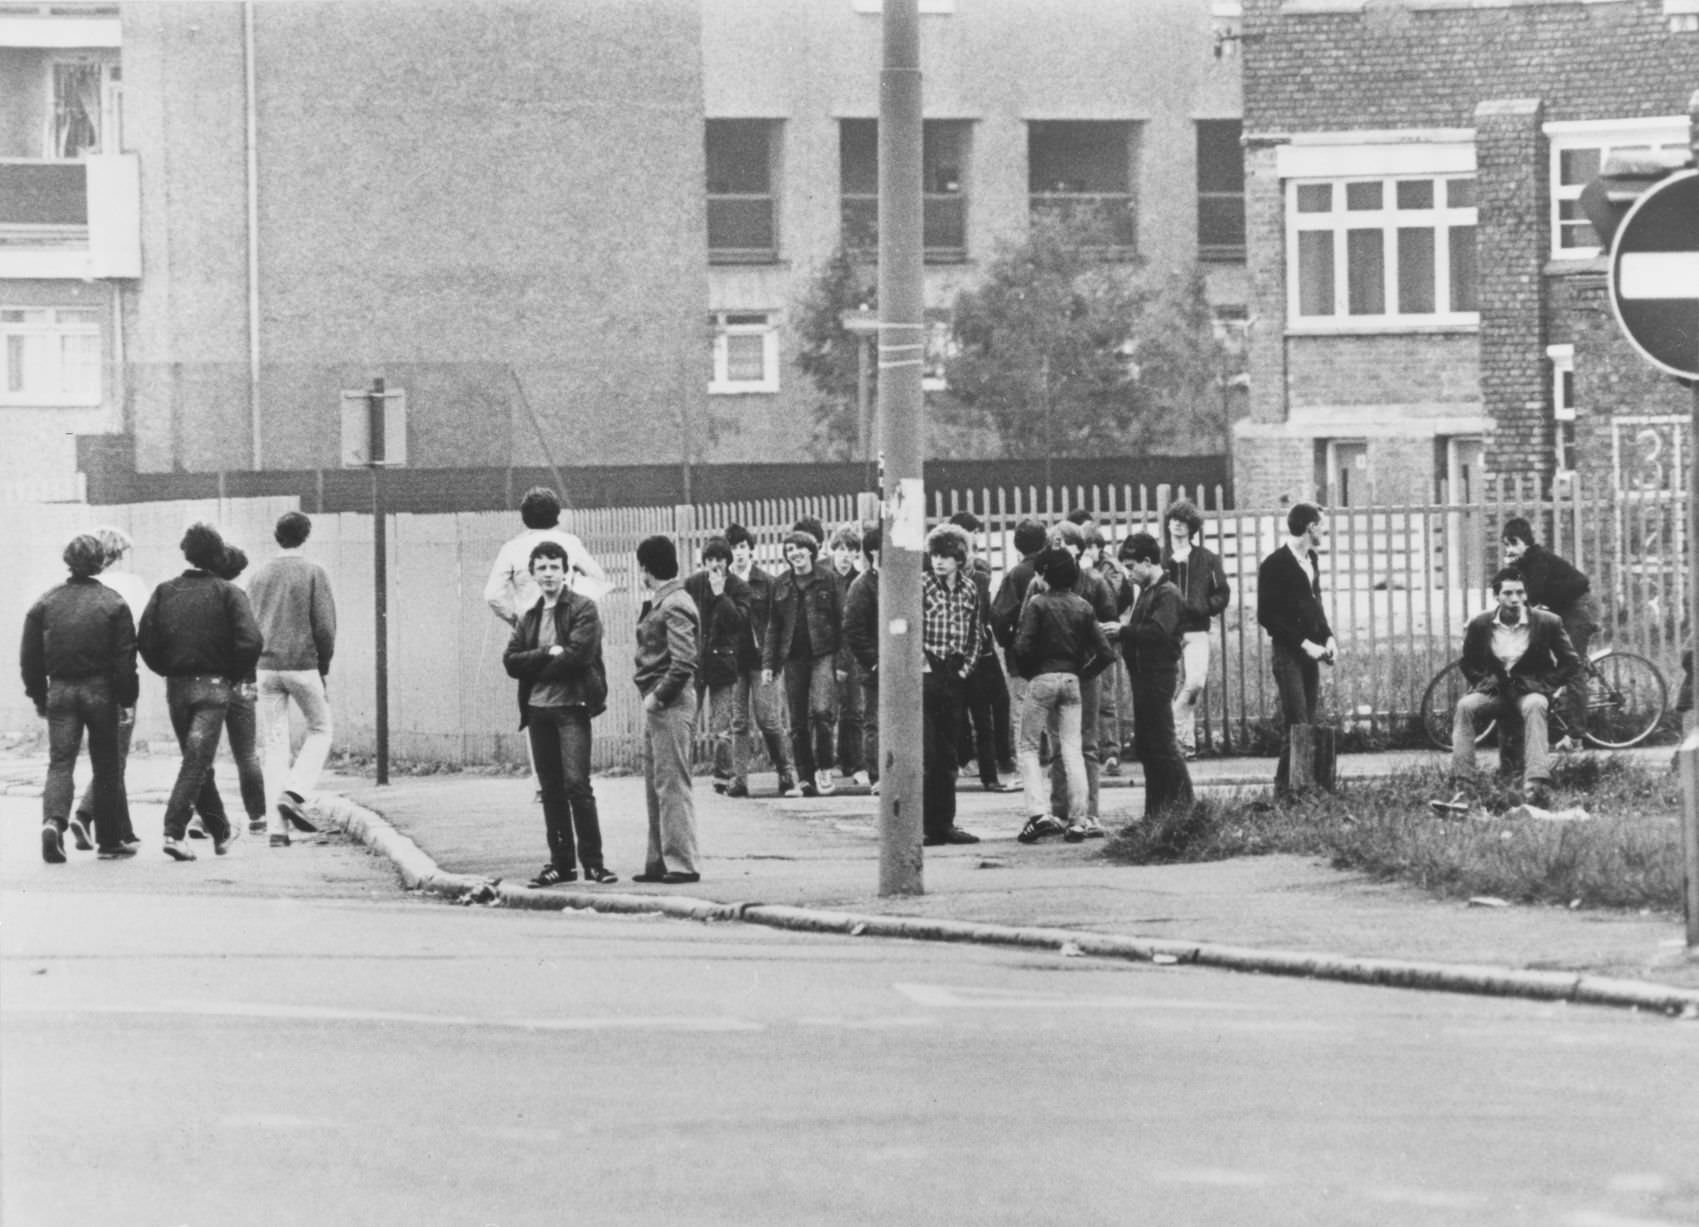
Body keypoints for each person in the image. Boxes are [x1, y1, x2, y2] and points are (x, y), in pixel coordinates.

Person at [137, 522, 263, 861]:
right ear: (217, 556)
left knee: (196, 760)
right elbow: (251, 641)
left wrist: (166, 668)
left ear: (186, 552)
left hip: (177, 688)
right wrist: (232, 675)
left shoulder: (164, 591)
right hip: (214, 687)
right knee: (197, 761)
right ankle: (173, 832)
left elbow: (146, 640)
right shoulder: (229, 593)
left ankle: (221, 832)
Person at [503, 540, 616, 887]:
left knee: (577, 785)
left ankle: (594, 864)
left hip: (572, 707)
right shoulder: (529, 615)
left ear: (565, 571)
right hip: (539, 712)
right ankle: (561, 864)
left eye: (555, 566)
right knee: (550, 789)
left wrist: (537, 663)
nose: (549, 573)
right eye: (542, 568)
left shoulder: (583, 608)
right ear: (533, 574)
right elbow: (510, 661)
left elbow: (579, 656)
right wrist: (548, 654)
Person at [21, 533, 139, 862]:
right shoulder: (114, 602)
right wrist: (127, 698)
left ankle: (53, 823)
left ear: (67, 561)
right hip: (102, 691)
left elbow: (29, 657)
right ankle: (110, 841)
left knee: (60, 763)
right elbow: (125, 659)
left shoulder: (45, 602)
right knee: (107, 766)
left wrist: (39, 696)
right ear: (101, 562)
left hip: (60, 689)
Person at [1453, 566, 1581, 807]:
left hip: (1530, 692)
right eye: (1508, 594)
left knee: (1536, 705)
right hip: (1496, 692)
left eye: (1520, 593)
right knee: (1465, 707)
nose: (1515, 600)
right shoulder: (1481, 624)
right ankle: (1464, 787)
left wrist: (1545, 686)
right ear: (1497, 597)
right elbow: (1467, 662)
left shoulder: (1547, 622)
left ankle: (1535, 785)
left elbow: (1571, 662)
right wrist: (1483, 683)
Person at [247, 511, 337, 846]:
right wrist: (323, 666)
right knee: (321, 729)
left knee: (274, 745)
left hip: (265, 667)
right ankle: (295, 792)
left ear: (276, 535)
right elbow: (325, 627)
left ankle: (276, 830)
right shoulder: (314, 572)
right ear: (306, 536)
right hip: (302, 664)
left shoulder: (258, 575)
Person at [1011, 547, 1112, 844]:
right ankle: (1079, 820)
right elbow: (1105, 652)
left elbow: (1022, 647)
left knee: (1028, 746)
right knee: (1073, 749)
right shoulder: (1083, 606)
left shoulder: (1037, 604)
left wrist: (1032, 673)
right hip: (1072, 681)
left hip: (1042, 679)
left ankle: (1038, 814)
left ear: (1043, 575)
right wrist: (1084, 671)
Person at [71, 525, 147, 850]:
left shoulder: (83, 588)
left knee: (111, 755)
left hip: (84, 679)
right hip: (121, 679)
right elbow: (146, 630)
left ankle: (124, 829)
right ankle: (86, 813)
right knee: (115, 757)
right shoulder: (131, 585)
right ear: (119, 554)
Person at [632, 535, 701, 884]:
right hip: (662, 701)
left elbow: (684, 661)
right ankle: (659, 861)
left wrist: (658, 696)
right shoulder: (671, 599)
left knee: (671, 783)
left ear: (645, 568)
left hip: (669, 702)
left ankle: (681, 864)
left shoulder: (673, 603)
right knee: (657, 782)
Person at [1256, 502, 1337, 797]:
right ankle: (1289, 794)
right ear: (1310, 527)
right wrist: (1305, 644)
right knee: (1298, 724)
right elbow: (1267, 616)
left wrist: (1328, 638)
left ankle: (1292, 791)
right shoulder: (1275, 564)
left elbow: (1315, 605)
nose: (1326, 530)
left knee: (1305, 724)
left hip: (1311, 652)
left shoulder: (1310, 559)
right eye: (1322, 524)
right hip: (1288, 653)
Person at [1044, 519, 1119, 836]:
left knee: (1086, 743)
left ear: (1079, 549)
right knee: (1058, 744)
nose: (1059, 551)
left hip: (1085, 673)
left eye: (1065, 545)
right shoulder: (1040, 584)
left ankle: (1088, 811)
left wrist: (1090, 666)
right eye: (1054, 545)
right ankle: (1060, 809)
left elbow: (1110, 627)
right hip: (1053, 672)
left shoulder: (1095, 582)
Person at [1501, 516, 1599, 749]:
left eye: (1514, 543)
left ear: (1526, 542)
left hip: (1577, 607)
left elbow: (1531, 597)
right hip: (1560, 609)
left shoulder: (1538, 560)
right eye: (1506, 545)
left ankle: (1576, 736)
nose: (1510, 549)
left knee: (1573, 668)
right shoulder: (1523, 564)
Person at [762, 530, 843, 797]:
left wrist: (841, 661)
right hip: (793, 658)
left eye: (799, 548)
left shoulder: (828, 579)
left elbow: (842, 621)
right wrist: (768, 665)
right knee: (797, 721)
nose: (794, 553)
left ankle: (824, 769)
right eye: (789, 549)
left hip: (823, 653)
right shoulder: (781, 583)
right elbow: (774, 626)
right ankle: (805, 778)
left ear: (811, 550)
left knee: (822, 712)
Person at [1119, 532, 1194, 820]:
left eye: (1130, 566)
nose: (1128, 574)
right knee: (1149, 747)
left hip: (1157, 677)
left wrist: (1123, 631)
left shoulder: (1167, 594)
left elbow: (1158, 633)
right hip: (1142, 677)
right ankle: (1156, 815)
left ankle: (1186, 809)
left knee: (1163, 743)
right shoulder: (1147, 592)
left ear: (1147, 562)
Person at [197, 544, 267, 839]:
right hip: (239, 682)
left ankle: (202, 818)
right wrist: (244, 676)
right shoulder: (240, 598)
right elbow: (252, 641)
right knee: (246, 753)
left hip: (207, 681)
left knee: (201, 755)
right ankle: (258, 815)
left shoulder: (202, 599)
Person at [920, 524, 983, 847]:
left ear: (959, 558)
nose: (939, 562)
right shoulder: (922, 585)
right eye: (935, 555)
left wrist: (966, 668)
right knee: (927, 754)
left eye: (946, 556)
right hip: (929, 669)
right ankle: (926, 824)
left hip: (954, 672)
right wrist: (923, 662)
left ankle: (945, 823)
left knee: (948, 754)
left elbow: (976, 632)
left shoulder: (970, 589)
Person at [725, 523, 798, 797]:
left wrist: (773, 660)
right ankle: (739, 778)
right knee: (739, 722)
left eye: (742, 547)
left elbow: (776, 623)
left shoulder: (766, 582)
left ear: (751, 550)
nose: (738, 553)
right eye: (733, 548)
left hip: (761, 661)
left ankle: (785, 771)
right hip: (733, 661)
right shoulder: (724, 584)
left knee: (768, 719)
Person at [951, 510, 1016, 791]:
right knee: (972, 713)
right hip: (968, 651)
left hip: (979, 650)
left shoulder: (979, 577)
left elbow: (983, 616)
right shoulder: (973, 578)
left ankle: (993, 768)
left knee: (988, 710)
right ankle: (979, 768)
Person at [683, 536, 753, 795]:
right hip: (695, 662)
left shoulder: (738, 587)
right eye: (710, 560)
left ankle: (723, 776)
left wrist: (720, 594)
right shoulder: (692, 584)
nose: (714, 565)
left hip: (723, 663)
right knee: (687, 722)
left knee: (722, 726)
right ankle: (683, 775)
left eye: (719, 560)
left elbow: (737, 623)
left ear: (727, 561)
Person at [1162, 499, 1231, 758]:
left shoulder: (1207, 559)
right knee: (1167, 688)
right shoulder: (1160, 556)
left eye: (1183, 521)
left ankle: (1172, 731)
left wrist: (1204, 606)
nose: (1177, 525)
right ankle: (1185, 746)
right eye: (1174, 520)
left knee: (1194, 684)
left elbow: (1222, 593)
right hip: (1166, 632)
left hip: (1196, 631)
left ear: (1192, 527)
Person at [484, 486, 607, 627]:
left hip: (529, 627)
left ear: (524, 516)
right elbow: (598, 578)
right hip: (565, 626)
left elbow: (492, 595)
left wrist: (516, 619)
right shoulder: (571, 543)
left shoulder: (511, 548)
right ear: (557, 514)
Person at [827, 524, 869, 787]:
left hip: (851, 653)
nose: (844, 556)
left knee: (853, 710)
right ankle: (826, 761)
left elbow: (854, 623)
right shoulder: (825, 578)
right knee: (823, 710)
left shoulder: (858, 582)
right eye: (840, 549)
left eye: (850, 550)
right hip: (824, 652)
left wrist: (844, 660)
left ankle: (854, 763)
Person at [843, 525, 882, 791]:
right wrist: (874, 661)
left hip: (903, 665)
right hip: (874, 666)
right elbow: (853, 629)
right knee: (874, 722)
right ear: (874, 551)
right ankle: (878, 776)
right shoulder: (862, 585)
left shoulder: (905, 579)